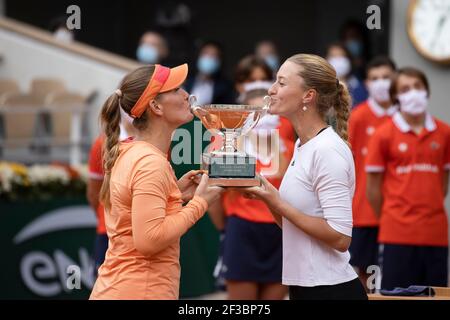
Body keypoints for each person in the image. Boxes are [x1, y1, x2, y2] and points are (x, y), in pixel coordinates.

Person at [89, 63, 223, 299]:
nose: (185, 95)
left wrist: (175, 195)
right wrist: (199, 203)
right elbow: (149, 240)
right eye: (176, 90)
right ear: (155, 106)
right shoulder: (150, 162)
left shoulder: (130, 150)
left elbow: (135, 216)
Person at [243, 53, 367, 300]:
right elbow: (292, 223)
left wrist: (276, 201)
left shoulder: (327, 149)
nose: (271, 89)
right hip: (305, 287)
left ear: (308, 96)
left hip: (330, 290)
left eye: (282, 82)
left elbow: (341, 237)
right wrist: (267, 195)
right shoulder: (303, 143)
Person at [366, 67, 450, 291]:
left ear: (427, 91)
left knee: (436, 296)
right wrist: (393, 217)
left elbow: (444, 183)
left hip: (436, 235)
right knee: (396, 296)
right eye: (405, 89)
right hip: (396, 235)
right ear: (396, 97)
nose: (413, 93)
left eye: (417, 87)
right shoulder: (383, 134)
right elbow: (372, 190)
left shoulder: (444, 132)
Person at [212, 83, 295, 300]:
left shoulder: (291, 147)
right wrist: (226, 228)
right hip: (242, 231)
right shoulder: (228, 146)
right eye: (255, 111)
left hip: (280, 231)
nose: (262, 117)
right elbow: (212, 195)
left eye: (267, 111)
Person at [347, 56, 397, 291]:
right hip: (364, 212)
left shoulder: (406, 116)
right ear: (366, 83)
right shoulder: (358, 116)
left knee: (400, 278)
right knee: (364, 277)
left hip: (399, 214)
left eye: (386, 77)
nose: (381, 83)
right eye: (375, 78)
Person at [86, 108, 138, 277]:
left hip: (142, 235)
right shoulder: (102, 143)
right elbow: (94, 193)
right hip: (110, 234)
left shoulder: (159, 143)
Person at [183, 41, 234, 105]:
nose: (209, 58)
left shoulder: (225, 87)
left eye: (214, 55)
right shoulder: (186, 81)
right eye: (206, 53)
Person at [326, 42, 367, 107]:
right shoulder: (319, 86)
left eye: (341, 56)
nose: (338, 60)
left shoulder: (359, 87)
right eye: (333, 56)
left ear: (349, 60)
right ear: (326, 60)